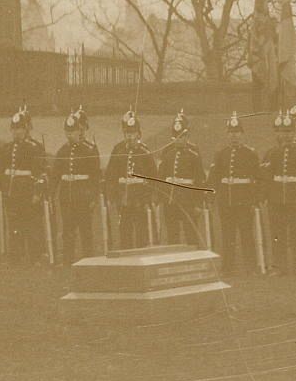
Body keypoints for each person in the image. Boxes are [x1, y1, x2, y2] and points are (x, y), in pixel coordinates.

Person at [209, 112, 264, 275]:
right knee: (227, 235)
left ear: (242, 134)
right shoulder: (221, 154)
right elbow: (215, 177)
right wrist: (212, 195)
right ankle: (228, 267)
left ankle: (250, 266)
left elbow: (258, 178)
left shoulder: (250, 153)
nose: (234, 136)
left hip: (244, 200)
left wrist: (256, 198)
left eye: (237, 133)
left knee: (246, 234)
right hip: (226, 200)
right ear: (227, 134)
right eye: (231, 133)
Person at [263, 110, 296, 275]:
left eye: (289, 132)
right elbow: (267, 178)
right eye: (283, 132)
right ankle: (279, 266)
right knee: (277, 234)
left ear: (294, 133)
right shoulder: (272, 153)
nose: (286, 136)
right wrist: (267, 197)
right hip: (276, 199)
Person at [0, 106, 47, 263]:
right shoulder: (8, 148)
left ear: (26, 129)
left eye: (20, 129)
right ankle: (16, 255)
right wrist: (3, 190)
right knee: (14, 225)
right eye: (14, 129)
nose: (17, 132)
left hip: (28, 192)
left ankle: (34, 256)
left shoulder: (34, 148)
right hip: (12, 192)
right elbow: (2, 171)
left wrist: (37, 193)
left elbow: (40, 173)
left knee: (32, 225)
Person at [54, 108, 103, 263]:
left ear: (79, 131)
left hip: (83, 196)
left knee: (85, 229)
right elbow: (56, 175)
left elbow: (95, 177)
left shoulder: (89, 150)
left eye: (73, 131)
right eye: (67, 131)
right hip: (66, 197)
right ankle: (68, 259)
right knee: (68, 229)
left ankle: (88, 259)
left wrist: (93, 196)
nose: (70, 135)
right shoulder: (62, 151)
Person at [104, 110, 157, 250]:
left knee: (141, 232)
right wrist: (113, 196)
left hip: (140, 200)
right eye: (127, 133)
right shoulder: (118, 150)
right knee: (124, 232)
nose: (130, 136)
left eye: (132, 133)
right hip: (123, 199)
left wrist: (148, 198)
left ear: (139, 134)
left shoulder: (145, 152)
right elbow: (111, 175)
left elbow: (153, 178)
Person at [156, 112, 207, 246]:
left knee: (191, 235)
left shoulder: (193, 155)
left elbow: (200, 181)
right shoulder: (167, 153)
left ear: (187, 137)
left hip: (188, 201)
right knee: (172, 235)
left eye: (182, 137)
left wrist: (198, 204)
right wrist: (162, 198)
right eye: (176, 137)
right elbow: (161, 177)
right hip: (170, 201)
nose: (178, 140)